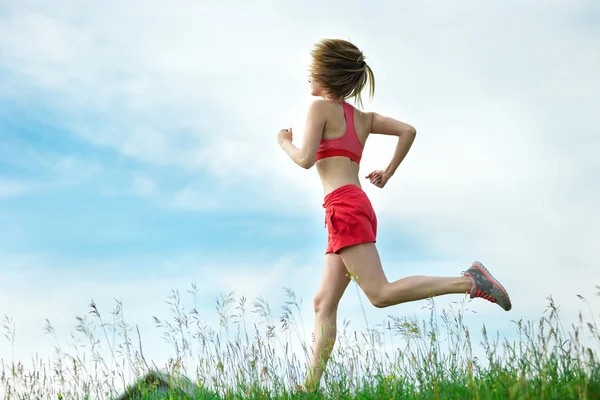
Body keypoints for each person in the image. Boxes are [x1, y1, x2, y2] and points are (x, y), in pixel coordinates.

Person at [277, 38, 512, 392]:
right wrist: (387, 172)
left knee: (380, 294)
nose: (308, 77)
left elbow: (305, 159)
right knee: (323, 302)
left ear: (326, 76)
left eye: (312, 71)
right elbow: (408, 131)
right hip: (353, 205)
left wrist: (283, 141)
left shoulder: (320, 109)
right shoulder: (363, 118)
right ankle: (308, 389)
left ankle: (470, 281)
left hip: (343, 206)